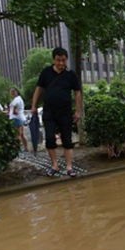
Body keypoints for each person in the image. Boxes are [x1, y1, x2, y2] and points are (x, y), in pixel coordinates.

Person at [31, 47, 83, 177]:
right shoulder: (46, 73)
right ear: (54, 60)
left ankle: (69, 167)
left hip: (65, 112)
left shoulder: (71, 75)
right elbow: (38, 89)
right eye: (58, 60)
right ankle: (55, 165)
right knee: (49, 139)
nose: (61, 63)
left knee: (67, 140)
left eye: (63, 60)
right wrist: (33, 106)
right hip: (49, 112)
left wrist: (78, 111)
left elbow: (77, 93)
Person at [8, 87, 28, 152]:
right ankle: (26, 148)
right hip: (21, 118)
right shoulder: (20, 99)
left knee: (17, 135)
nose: (11, 93)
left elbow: (15, 111)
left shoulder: (16, 99)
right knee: (21, 134)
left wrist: (10, 112)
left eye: (12, 92)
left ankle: (16, 149)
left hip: (15, 118)